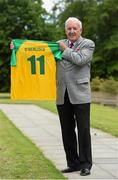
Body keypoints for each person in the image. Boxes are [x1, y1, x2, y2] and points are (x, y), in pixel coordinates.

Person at [56, 17, 95, 176]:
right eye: (69, 29)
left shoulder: (88, 44)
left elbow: (80, 60)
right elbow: (39, 52)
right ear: (65, 30)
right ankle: (73, 163)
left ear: (80, 30)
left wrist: (65, 49)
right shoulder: (57, 44)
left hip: (81, 94)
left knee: (83, 130)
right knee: (67, 131)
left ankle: (85, 165)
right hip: (62, 94)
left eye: (74, 28)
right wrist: (17, 48)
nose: (71, 31)